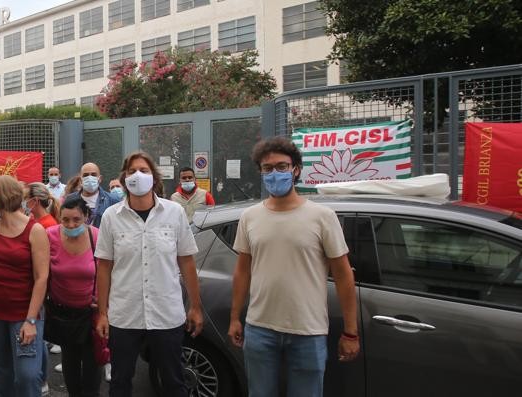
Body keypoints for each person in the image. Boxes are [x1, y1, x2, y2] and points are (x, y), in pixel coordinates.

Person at [227, 137, 359, 397]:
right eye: (267, 168)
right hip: (259, 329)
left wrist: (350, 332)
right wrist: (234, 318)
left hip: (308, 332)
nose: (275, 173)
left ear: (296, 169)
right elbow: (242, 271)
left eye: (282, 166)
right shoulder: (249, 217)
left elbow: (344, 276)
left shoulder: (322, 217)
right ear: (261, 172)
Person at [94, 151, 205, 397]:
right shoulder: (112, 217)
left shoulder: (174, 212)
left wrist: (196, 306)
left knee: (174, 381)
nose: (137, 175)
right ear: (124, 178)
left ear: (154, 178)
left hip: (166, 315)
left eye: (143, 170)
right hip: (124, 316)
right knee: (120, 382)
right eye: (132, 171)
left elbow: (187, 262)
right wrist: (102, 313)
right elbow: (104, 267)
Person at [0, 176, 50, 397]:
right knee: (0, 370)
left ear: (2, 197)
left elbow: (41, 277)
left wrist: (31, 319)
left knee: (27, 375)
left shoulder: (35, 230)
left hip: (23, 313)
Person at [47, 197, 101, 397]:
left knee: (92, 365)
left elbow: (109, 272)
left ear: (87, 216)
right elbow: (41, 272)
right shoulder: (50, 236)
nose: (70, 225)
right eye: (65, 220)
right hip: (64, 313)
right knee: (70, 361)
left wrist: (104, 304)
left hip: (92, 313)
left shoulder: (97, 236)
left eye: (76, 220)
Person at [65, 163, 120, 228]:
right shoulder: (70, 199)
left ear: (100, 179)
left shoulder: (112, 200)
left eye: (93, 175)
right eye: (85, 175)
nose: (89, 178)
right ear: (80, 180)